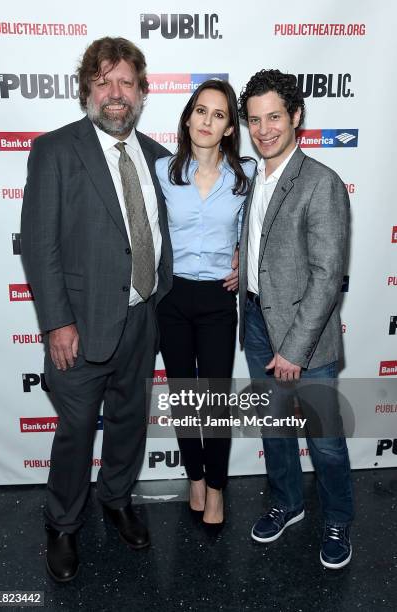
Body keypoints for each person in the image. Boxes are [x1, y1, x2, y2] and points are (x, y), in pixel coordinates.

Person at [21, 36, 172, 582]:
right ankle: (62, 524)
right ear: (87, 88)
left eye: (125, 82)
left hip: (141, 318)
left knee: (130, 423)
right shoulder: (56, 150)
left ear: (141, 92)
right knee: (77, 429)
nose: (115, 93)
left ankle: (116, 499)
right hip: (79, 327)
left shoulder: (158, 157)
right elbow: (40, 244)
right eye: (104, 81)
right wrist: (57, 322)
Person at [237, 69, 354, 568]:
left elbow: (328, 276)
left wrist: (294, 349)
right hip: (258, 323)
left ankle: (338, 518)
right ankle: (287, 503)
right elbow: (268, 248)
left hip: (304, 338)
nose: (264, 130)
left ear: (296, 117)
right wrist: (241, 271)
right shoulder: (253, 177)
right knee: (274, 428)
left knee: (324, 440)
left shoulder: (320, 183)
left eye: (274, 118)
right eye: (255, 120)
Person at [156, 79, 254, 525]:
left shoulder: (247, 176)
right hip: (172, 296)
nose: (207, 121)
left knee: (214, 402)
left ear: (230, 128)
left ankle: (215, 488)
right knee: (182, 396)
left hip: (219, 297)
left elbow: (264, 229)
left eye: (218, 114)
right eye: (201, 111)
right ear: (188, 117)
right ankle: (194, 477)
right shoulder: (162, 171)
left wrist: (244, 260)